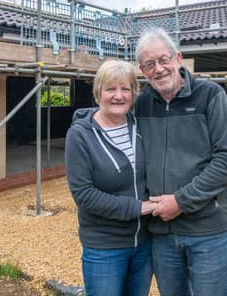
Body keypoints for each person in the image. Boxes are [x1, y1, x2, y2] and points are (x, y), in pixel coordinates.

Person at [134, 28, 227, 296]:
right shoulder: (141, 104)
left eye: (163, 59)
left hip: (208, 231)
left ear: (178, 58)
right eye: (150, 64)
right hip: (162, 233)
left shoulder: (210, 96)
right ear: (142, 70)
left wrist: (181, 201)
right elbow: (108, 108)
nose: (158, 69)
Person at [65, 60, 156, 296]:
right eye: (110, 89)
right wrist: (141, 208)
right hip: (105, 248)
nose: (118, 96)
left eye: (125, 89)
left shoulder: (140, 127)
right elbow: (85, 195)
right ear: (98, 93)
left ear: (133, 94)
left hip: (144, 244)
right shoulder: (80, 135)